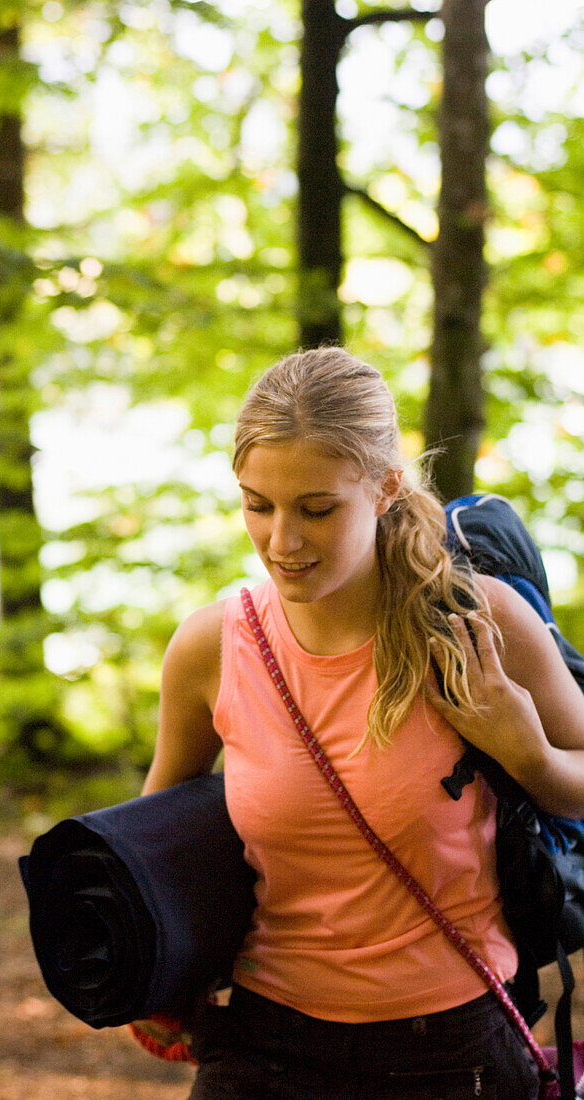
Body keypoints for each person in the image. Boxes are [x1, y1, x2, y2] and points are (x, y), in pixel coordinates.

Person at [141, 347, 584, 1099]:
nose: (282, 541)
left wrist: (528, 753)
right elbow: (157, 840)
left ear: (383, 488)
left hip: (450, 1054)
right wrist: (151, 975)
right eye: (257, 504)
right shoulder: (212, 648)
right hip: (262, 1044)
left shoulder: (479, 624)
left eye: (316, 509)